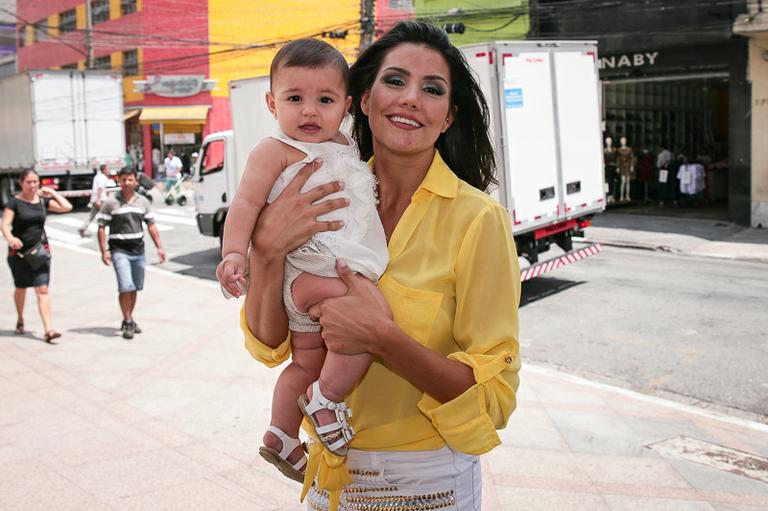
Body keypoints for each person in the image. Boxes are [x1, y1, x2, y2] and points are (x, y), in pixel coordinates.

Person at [240, 22, 520, 511]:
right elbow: (269, 347)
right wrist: (264, 250)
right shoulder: (315, 194)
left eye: (431, 89)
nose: (411, 98)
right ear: (363, 101)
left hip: (424, 482)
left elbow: (493, 399)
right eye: (395, 81)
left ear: (447, 118)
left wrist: (385, 339)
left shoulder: (478, 220)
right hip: (329, 478)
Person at [216, 38, 389, 482]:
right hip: (313, 266)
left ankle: (281, 433)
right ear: (272, 104)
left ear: (346, 106)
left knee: (307, 362)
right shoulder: (273, 150)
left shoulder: (345, 144)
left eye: (325, 100)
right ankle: (326, 399)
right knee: (371, 316)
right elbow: (245, 204)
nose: (310, 111)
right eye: (295, 99)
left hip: (317, 273)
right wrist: (235, 253)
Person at [2, 169, 73, 343]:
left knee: (42, 289)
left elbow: (67, 207)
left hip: (40, 252)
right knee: (20, 288)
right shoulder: (14, 203)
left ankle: (48, 329)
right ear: (21, 183)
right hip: (19, 254)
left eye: (35, 182)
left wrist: (53, 193)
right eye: (29, 182)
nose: (33, 185)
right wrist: (11, 238)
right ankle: (20, 318)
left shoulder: (42, 201)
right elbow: (5, 225)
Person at [98, 168, 166, 339]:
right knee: (125, 286)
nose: (127, 183)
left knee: (135, 287)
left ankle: (129, 317)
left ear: (136, 181)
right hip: (119, 250)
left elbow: (151, 225)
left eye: (130, 180)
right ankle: (127, 321)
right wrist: (104, 250)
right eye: (123, 180)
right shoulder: (111, 202)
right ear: (118, 181)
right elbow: (101, 227)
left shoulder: (142, 201)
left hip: (138, 250)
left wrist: (159, 247)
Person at [79, 164, 115, 237]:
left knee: (91, 215)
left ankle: (83, 228)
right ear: (104, 170)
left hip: (94, 199)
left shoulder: (97, 176)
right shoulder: (103, 178)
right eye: (107, 169)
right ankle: (112, 230)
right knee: (108, 215)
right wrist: (99, 200)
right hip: (101, 200)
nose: (109, 171)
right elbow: (100, 188)